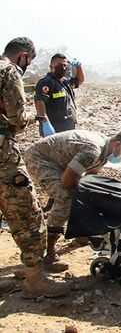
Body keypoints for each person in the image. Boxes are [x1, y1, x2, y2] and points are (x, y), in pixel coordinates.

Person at [0, 37, 69, 298]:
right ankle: (34, 280)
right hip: (3, 156)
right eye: (29, 60)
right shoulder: (9, 72)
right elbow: (17, 119)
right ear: (23, 56)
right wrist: (32, 118)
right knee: (26, 214)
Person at [24, 130, 121, 269]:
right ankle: (49, 253)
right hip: (40, 159)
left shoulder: (105, 149)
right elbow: (66, 182)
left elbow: (91, 177)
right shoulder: (92, 151)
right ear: (117, 145)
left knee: (87, 193)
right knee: (66, 198)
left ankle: (82, 234)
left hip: (58, 159)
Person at [34, 53, 85, 135]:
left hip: (68, 126)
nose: (63, 68)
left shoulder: (65, 82)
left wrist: (79, 66)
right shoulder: (46, 82)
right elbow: (40, 102)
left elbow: (80, 80)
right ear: (51, 67)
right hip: (54, 129)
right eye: (60, 65)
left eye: (65, 65)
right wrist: (45, 123)